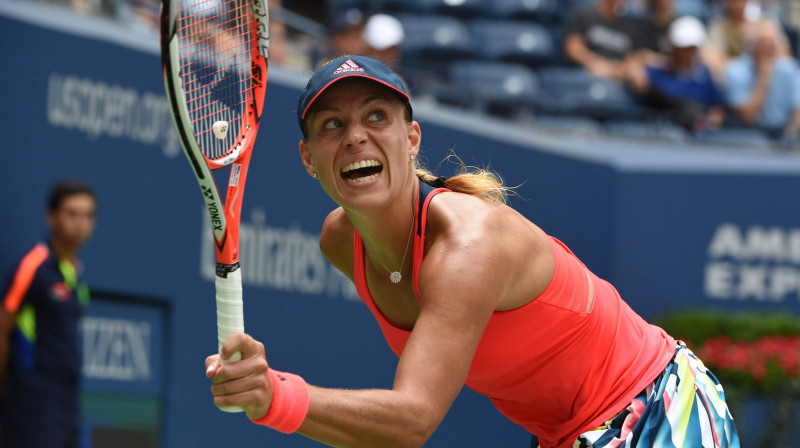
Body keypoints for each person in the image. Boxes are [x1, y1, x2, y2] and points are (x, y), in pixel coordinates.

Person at [205, 55, 741, 448]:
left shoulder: (467, 245)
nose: (355, 138)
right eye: (332, 126)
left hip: (657, 410)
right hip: (565, 432)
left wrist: (273, 396)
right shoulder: (340, 241)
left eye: (376, 117)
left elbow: (412, 420)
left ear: (411, 138)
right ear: (308, 158)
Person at [0, 180, 97, 448]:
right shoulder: (33, 266)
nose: (80, 223)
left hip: (67, 405)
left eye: (88, 215)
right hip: (30, 407)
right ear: (51, 217)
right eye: (72, 213)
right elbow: (2, 328)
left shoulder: (75, 273)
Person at [627, 16, 726, 131]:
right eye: (682, 48)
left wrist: (709, 121)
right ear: (673, 47)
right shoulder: (658, 73)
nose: (686, 53)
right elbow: (637, 79)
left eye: (690, 48)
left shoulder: (705, 79)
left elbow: (716, 110)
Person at [724, 20, 800, 141]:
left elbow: (797, 110)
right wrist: (764, 78)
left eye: (771, 45)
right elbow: (747, 116)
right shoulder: (735, 71)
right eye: (762, 44)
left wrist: (793, 132)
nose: (767, 50)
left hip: (784, 131)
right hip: (749, 132)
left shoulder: (790, 69)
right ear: (752, 46)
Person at [563, 0, 645, 81]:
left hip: (616, 79)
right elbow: (573, 48)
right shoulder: (585, 14)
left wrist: (613, 70)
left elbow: (633, 59)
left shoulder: (632, 26)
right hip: (587, 72)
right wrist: (595, 62)